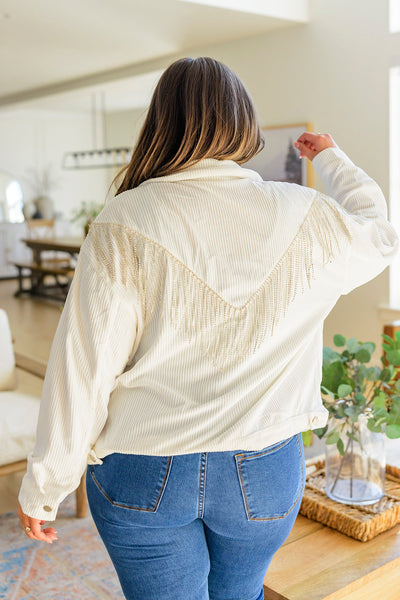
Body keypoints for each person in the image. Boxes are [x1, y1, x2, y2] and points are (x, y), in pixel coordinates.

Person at [18, 56, 398, 600]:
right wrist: (333, 159)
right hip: (263, 474)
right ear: (244, 124)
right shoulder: (305, 214)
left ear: (161, 125)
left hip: (143, 469)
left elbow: (82, 365)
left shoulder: (124, 220)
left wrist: (46, 486)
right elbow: (382, 235)